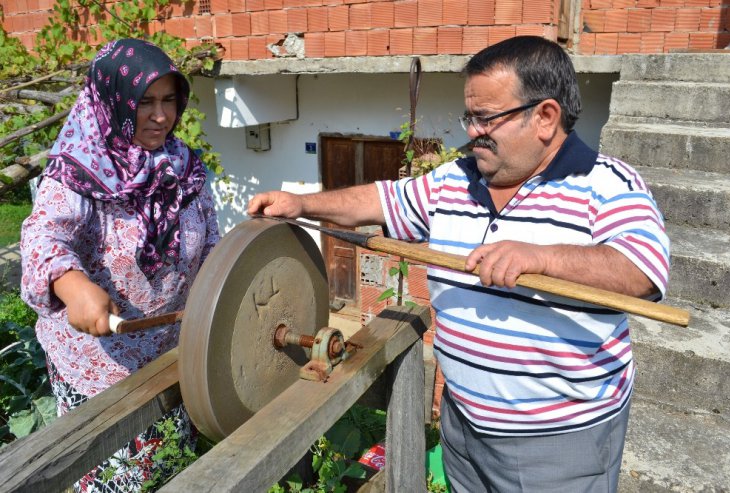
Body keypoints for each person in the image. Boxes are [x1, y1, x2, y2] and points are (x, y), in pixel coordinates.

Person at [248, 36, 670, 492]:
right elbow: (380, 200)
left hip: (558, 442)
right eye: (470, 116)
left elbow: (642, 271)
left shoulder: (606, 183)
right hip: (463, 426)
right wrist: (301, 202)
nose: (472, 131)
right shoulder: (454, 179)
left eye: (487, 118)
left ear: (545, 117)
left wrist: (540, 257)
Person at [20, 38, 220, 492]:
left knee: (171, 466)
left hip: (172, 354)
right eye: (145, 102)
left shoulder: (184, 167)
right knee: (118, 478)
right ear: (113, 101)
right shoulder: (78, 171)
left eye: (170, 100)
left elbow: (210, 242)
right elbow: (41, 238)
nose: (161, 116)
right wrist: (72, 285)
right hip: (101, 369)